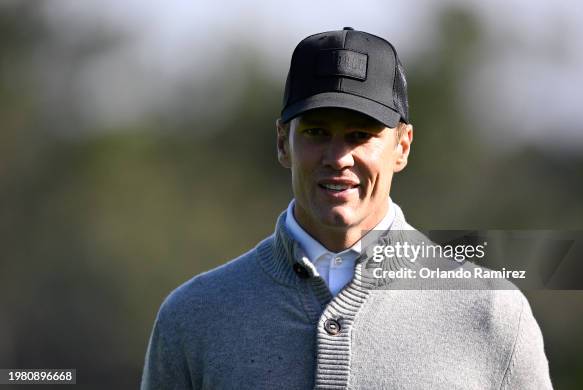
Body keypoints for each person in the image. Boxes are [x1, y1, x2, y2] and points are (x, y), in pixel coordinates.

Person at [141, 27, 553, 389]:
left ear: (402, 146)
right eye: (317, 133)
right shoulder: (194, 317)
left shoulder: (493, 312)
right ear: (283, 142)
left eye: (360, 135)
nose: (337, 157)